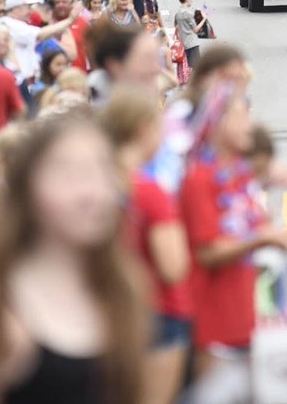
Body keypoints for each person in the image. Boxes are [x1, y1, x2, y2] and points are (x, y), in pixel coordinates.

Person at [0, 112, 148, 404]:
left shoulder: (125, 290)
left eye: (103, 172)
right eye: (69, 174)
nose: (92, 193)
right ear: (29, 188)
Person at [179, 83, 287, 403]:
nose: (250, 122)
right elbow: (208, 252)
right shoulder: (199, 179)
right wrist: (262, 238)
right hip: (214, 326)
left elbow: (262, 231)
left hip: (250, 320)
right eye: (240, 115)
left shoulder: (242, 175)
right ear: (216, 123)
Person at [100, 87, 191, 404]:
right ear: (143, 130)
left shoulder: (99, 185)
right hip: (161, 311)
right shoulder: (149, 191)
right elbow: (172, 266)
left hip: (114, 310)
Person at [173, 0, 207, 69]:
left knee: (187, 68)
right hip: (192, 43)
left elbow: (176, 27)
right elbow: (195, 30)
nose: (192, 0)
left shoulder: (178, 13)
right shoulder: (188, 14)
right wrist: (204, 19)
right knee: (196, 68)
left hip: (184, 43)